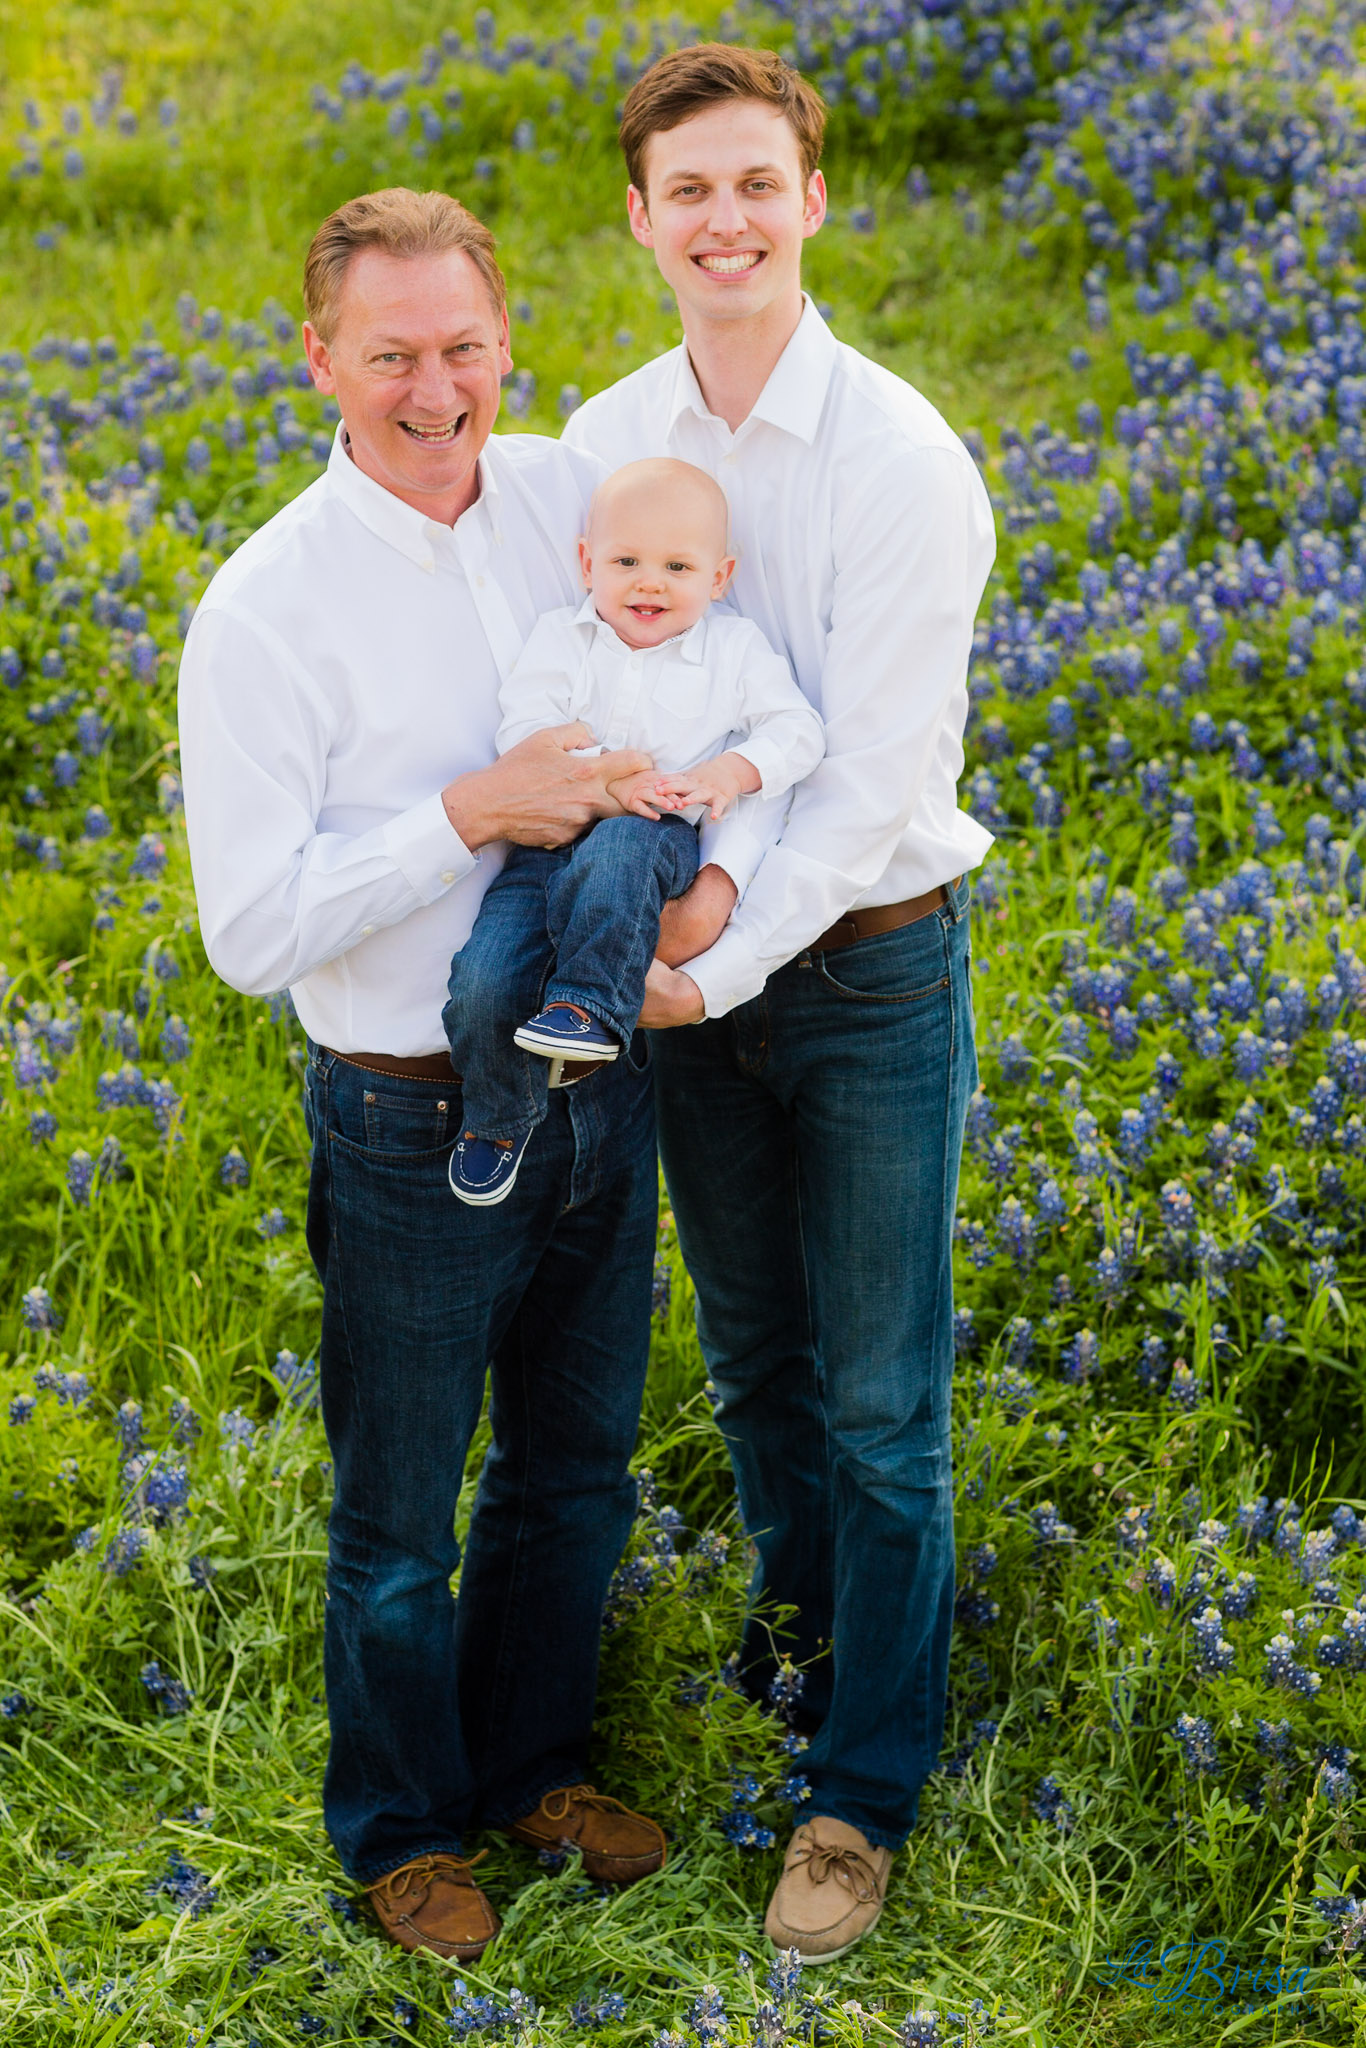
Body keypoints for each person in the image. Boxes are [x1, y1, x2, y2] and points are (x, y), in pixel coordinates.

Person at [177, 187, 671, 1964]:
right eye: (389, 352)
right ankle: (398, 1823)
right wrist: (467, 815)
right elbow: (249, 926)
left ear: (506, 340)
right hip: (405, 1111)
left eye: (461, 345)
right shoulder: (266, 608)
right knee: (398, 1509)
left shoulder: (564, 501)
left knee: (576, 1466)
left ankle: (534, 1762)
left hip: (602, 1085)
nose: (434, 385)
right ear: (318, 359)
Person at [563, 44, 997, 1959]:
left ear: (813, 201)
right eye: (689, 191)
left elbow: (874, 781)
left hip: (868, 962)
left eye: (758, 183)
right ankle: (809, 1633)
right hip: (690, 980)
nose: (724, 220)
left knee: (887, 1400)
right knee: (753, 1361)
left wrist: (704, 958)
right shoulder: (599, 435)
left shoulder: (902, 458)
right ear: (642, 221)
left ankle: (861, 1785)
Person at [442, 455, 824, 1204]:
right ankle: (496, 1120)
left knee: (620, 849)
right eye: (626, 561)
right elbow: (524, 724)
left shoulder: (734, 650)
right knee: (483, 980)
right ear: (588, 563)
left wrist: (728, 774)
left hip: (653, 839)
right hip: (546, 846)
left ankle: (588, 1008)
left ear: (719, 577)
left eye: (678, 566)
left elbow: (797, 731)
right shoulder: (561, 639)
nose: (649, 582)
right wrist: (597, 772)